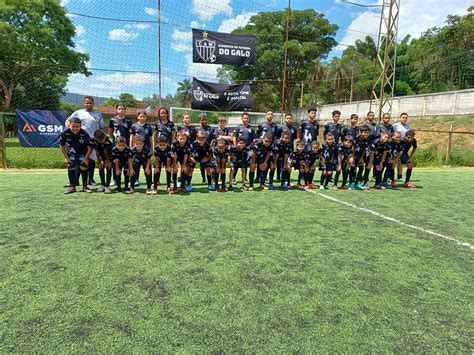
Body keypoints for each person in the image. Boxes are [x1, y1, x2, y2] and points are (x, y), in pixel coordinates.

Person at [67, 96, 104, 185]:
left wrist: (99, 139)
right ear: (84, 103)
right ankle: (74, 180)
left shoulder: (98, 114)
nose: (89, 104)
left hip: (92, 140)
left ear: (93, 103)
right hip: (80, 141)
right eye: (87, 103)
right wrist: (70, 128)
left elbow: (101, 127)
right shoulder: (78, 112)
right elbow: (68, 121)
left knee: (91, 160)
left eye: (90, 103)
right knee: (78, 159)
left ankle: (90, 179)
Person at [59, 117, 94, 194]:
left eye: (77, 127)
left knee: (84, 168)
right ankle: (72, 187)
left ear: (80, 126)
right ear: (69, 125)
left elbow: (91, 146)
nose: (75, 128)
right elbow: (62, 146)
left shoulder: (84, 133)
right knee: (71, 168)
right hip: (71, 154)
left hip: (82, 154)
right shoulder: (65, 133)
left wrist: (86, 158)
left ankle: (85, 187)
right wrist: (66, 157)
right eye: (73, 126)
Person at [108, 102, 132, 186]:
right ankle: (114, 179)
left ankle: (128, 179)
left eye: (123, 109)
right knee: (115, 161)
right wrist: (115, 140)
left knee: (127, 162)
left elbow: (130, 133)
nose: (121, 110)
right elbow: (110, 132)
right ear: (116, 110)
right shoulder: (112, 120)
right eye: (119, 109)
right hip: (116, 145)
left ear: (125, 110)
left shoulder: (128, 121)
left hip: (126, 145)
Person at [130, 110, 153, 187]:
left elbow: (150, 139)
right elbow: (131, 137)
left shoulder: (148, 127)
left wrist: (151, 149)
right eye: (140, 116)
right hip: (137, 150)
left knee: (147, 167)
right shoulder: (134, 126)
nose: (142, 118)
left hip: (145, 150)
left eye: (144, 116)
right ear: (137, 117)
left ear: (146, 117)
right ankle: (135, 180)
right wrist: (131, 147)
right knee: (135, 166)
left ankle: (149, 184)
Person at [91, 129, 113, 193]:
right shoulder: (93, 140)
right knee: (101, 168)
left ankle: (107, 186)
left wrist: (108, 161)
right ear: (95, 138)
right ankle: (103, 185)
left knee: (108, 168)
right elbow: (96, 151)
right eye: (100, 140)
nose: (102, 141)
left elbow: (106, 151)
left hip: (109, 155)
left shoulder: (106, 140)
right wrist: (99, 161)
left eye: (102, 139)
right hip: (101, 155)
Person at [393, 112, 414, 181]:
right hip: (395, 146)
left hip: (404, 147)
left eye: (406, 118)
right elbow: (392, 135)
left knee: (401, 161)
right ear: (400, 118)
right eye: (403, 117)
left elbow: (411, 136)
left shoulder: (409, 126)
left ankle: (399, 176)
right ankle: (390, 177)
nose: (404, 119)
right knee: (394, 161)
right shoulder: (395, 126)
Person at [351, 125, 370, 189]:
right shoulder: (355, 139)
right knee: (352, 168)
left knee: (361, 168)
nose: (366, 134)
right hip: (354, 155)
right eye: (365, 132)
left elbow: (364, 150)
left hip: (360, 156)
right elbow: (353, 149)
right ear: (361, 132)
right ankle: (350, 183)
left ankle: (357, 183)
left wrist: (362, 158)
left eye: (367, 132)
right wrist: (352, 157)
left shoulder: (367, 140)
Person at [198, 113, 215, 183]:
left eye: (205, 119)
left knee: (211, 164)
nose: (204, 121)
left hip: (209, 149)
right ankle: (203, 178)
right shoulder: (197, 129)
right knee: (202, 166)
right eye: (202, 120)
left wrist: (211, 145)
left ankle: (213, 178)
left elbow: (214, 138)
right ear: (200, 120)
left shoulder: (211, 128)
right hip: (200, 150)